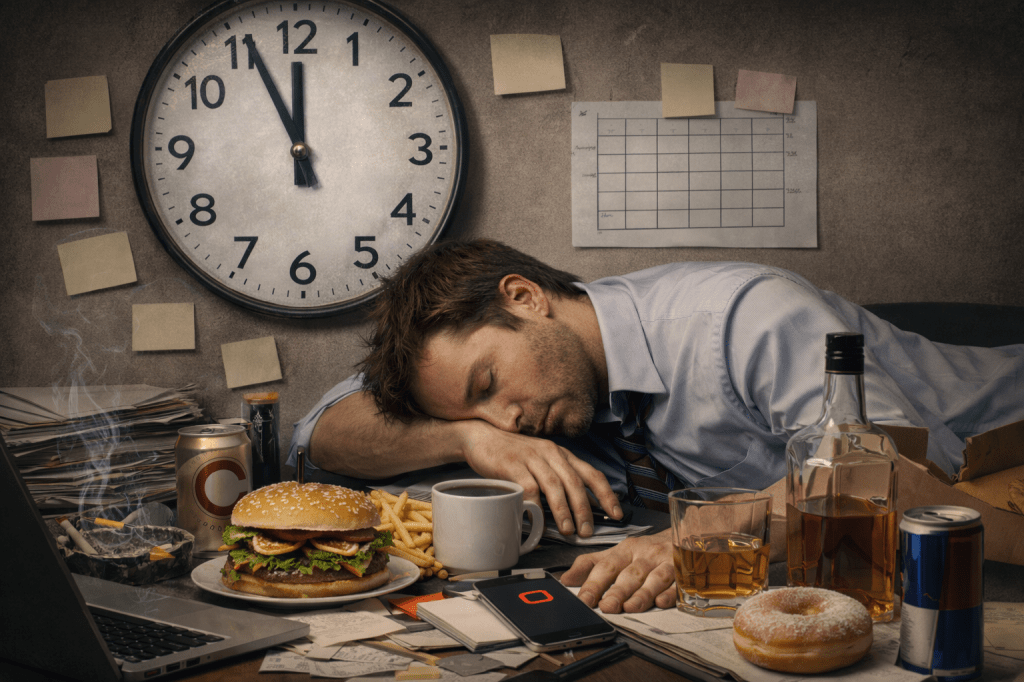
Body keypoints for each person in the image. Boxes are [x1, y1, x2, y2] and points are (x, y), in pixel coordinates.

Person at [288, 239, 1024, 613]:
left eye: (488, 386)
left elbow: (877, 465)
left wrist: (696, 534)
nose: (507, 418)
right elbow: (317, 433)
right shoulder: (530, 393)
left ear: (525, 297)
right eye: (475, 408)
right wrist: (467, 436)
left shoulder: (740, 314)